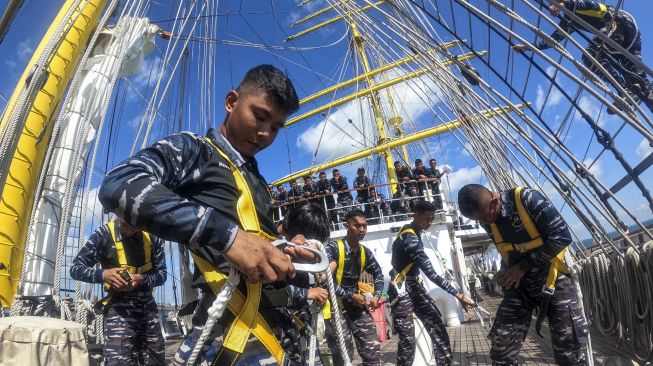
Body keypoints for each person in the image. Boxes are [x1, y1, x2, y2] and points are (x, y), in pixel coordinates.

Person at [99, 64, 318, 365]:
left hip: (283, 327)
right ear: (231, 102)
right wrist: (228, 237)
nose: (265, 133)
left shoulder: (256, 179)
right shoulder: (196, 151)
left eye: (277, 127)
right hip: (235, 331)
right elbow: (119, 184)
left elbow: (254, 241)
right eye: (260, 115)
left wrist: (285, 248)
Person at [457, 184, 589, 365]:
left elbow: (561, 236)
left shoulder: (527, 199)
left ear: (494, 201)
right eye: (480, 221)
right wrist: (504, 272)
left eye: (486, 217)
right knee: (501, 349)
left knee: (569, 351)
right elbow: (508, 253)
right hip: (520, 287)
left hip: (553, 279)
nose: (486, 223)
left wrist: (522, 267)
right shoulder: (487, 220)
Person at [513, 0, 653, 113]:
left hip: (618, 22)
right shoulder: (568, 21)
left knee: (591, 55)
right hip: (629, 36)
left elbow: (597, 7)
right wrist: (527, 47)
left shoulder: (576, 4)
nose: (552, 5)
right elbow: (552, 41)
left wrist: (566, 5)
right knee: (639, 82)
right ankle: (633, 91)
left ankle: (624, 90)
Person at [70, 218, 166, 365]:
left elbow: (162, 275)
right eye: (125, 223)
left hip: (148, 311)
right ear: (118, 213)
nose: (129, 229)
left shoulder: (153, 237)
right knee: (118, 361)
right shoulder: (103, 234)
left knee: (155, 360)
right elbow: (75, 269)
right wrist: (104, 275)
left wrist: (141, 279)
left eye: (135, 226)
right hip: (119, 309)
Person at [388, 201, 474, 366]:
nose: (430, 223)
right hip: (402, 291)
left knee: (437, 325)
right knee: (407, 340)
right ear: (416, 216)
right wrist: (457, 294)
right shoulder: (410, 237)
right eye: (427, 219)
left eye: (432, 219)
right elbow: (431, 273)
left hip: (414, 287)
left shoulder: (413, 230)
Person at [324, 210, 384, 366]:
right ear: (346, 226)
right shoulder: (333, 249)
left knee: (372, 349)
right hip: (335, 306)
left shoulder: (365, 252)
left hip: (356, 305)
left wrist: (376, 296)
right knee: (343, 355)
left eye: (364, 226)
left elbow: (378, 274)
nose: (362, 230)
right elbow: (325, 280)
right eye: (357, 225)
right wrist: (350, 296)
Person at [279, 203, 331, 366]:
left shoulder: (297, 251)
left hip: (301, 325)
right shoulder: (264, 247)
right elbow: (263, 290)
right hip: (275, 335)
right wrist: (307, 293)